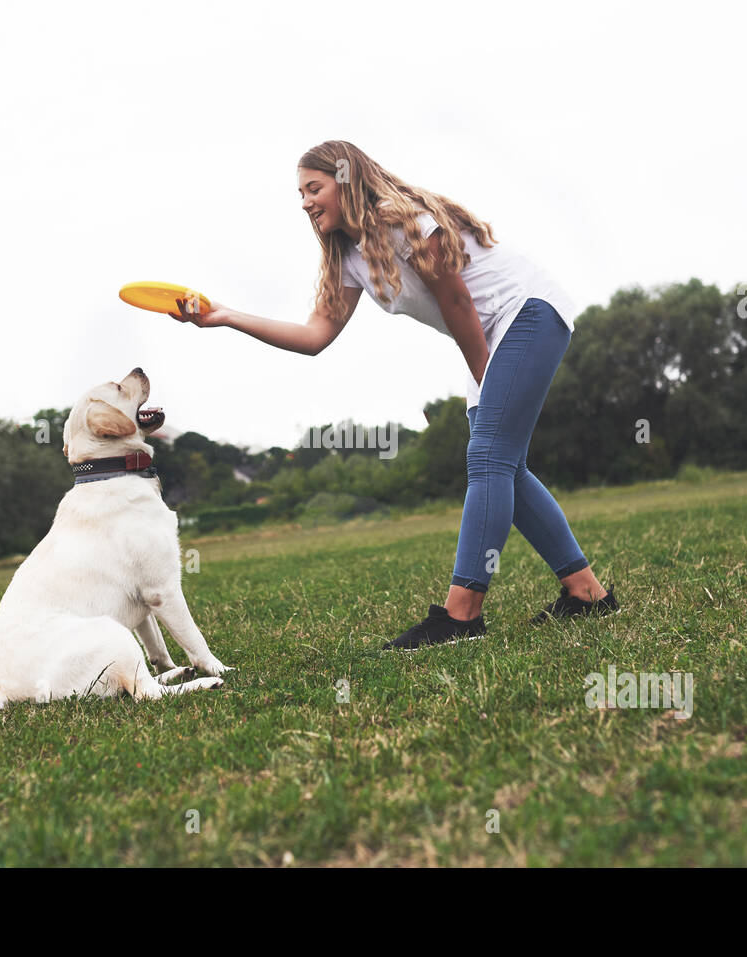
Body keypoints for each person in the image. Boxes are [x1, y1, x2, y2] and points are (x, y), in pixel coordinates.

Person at [169, 140, 618, 650]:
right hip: (489, 334)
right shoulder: (349, 257)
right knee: (503, 466)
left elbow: (456, 298)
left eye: (314, 189)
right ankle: (586, 595)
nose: (305, 203)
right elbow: (315, 337)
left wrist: (481, 370)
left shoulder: (402, 219)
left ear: (347, 180)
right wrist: (224, 315)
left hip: (527, 311)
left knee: (489, 456)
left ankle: (461, 615)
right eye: (300, 194)